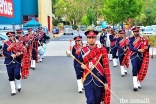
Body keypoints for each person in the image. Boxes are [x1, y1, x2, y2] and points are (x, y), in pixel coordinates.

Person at [78, 30, 111, 104]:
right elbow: (78, 64)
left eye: (93, 37)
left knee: (97, 101)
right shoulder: (83, 50)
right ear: (87, 39)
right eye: (89, 37)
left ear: (96, 38)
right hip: (87, 80)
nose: (91, 39)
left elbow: (106, 67)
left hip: (99, 80)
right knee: (90, 101)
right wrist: (81, 66)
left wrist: (106, 82)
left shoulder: (102, 49)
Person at [129, 27, 150, 91]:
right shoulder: (131, 39)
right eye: (135, 31)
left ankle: (138, 83)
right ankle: (135, 85)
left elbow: (147, 44)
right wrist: (138, 50)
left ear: (138, 31)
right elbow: (130, 47)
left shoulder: (143, 38)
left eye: (137, 31)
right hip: (133, 55)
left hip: (140, 56)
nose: (136, 32)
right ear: (133, 32)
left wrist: (147, 47)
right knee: (134, 68)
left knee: (139, 69)